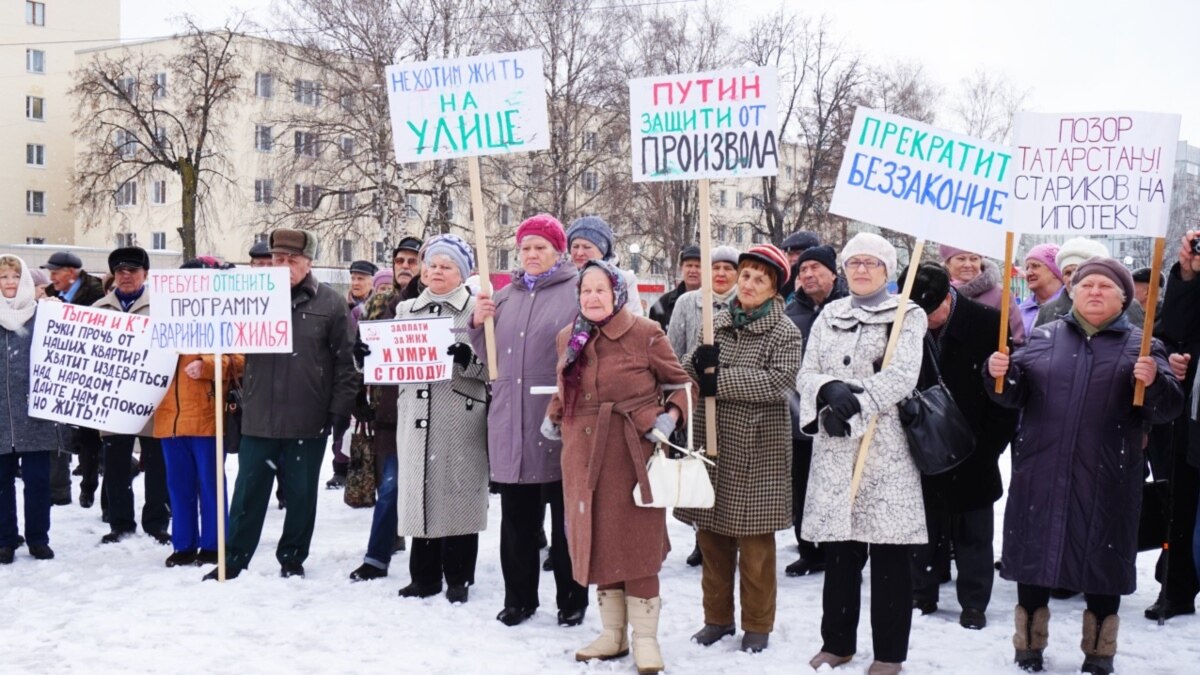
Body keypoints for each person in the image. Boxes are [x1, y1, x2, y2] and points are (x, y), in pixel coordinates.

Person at [986, 257, 1182, 674]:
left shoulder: (1143, 345)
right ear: (1072, 291)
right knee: (1037, 555)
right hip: (1042, 470)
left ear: (1124, 298)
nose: (1095, 291)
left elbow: (1166, 409)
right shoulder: (1042, 338)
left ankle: (1099, 652)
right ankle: (1029, 644)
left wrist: (1156, 382)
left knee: (1103, 561)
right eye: (1087, 284)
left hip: (1109, 474)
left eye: (1106, 287)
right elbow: (1010, 395)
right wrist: (996, 373)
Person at [543, 259, 694, 673]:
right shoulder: (567, 338)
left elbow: (681, 383)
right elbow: (565, 386)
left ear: (617, 294)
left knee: (637, 545)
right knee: (599, 540)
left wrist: (671, 416)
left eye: (600, 290)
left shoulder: (646, 333)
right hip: (582, 454)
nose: (591, 297)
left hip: (632, 455)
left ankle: (645, 638)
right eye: (585, 290)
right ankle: (612, 634)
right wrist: (554, 412)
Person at [798, 233, 927, 675]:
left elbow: (903, 375)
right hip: (835, 450)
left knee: (890, 556)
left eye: (871, 263)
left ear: (887, 271)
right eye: (854, 263)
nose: (861, 270)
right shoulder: (829, 313)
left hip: (885, 449)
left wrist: (855, 405)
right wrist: (826, 391)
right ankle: (837, 643)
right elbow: (807, 372)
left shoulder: (907, 313)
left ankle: (889, 652)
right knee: (841, 554)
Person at [206, 228, 357, 580]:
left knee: (302, 495)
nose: (283, 265)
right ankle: (235, 557)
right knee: (247, 493)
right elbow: (221, 333)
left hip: (309, 416)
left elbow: (345, 362)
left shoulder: (330, 304)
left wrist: (338, 410)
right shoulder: (251, 298)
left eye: (292, 259)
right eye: (277, 258)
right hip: (259, 415)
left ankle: (292, 557)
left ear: (309, 263)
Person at [676, 243, 803, 654]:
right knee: (711, 540)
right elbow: (687, 369)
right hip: (713, 444)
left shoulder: (785, 331)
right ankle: (716, 619)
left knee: (755, 547)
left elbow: (778, 383)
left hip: (757, 449)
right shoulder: (715, 322)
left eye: (758, 279)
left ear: (774, 288)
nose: (747, 284)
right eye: (745, 276)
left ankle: (757, 624)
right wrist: (697, 365)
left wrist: (721, 380)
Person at [356, 235, 490, 603]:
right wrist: (365, 354)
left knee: (457, 493)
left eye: (446, 267)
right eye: (431, 265)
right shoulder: (406, 310)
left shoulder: (475, 311)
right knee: (419, 494)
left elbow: (493, 369)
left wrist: (468, 358)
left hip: (459, 415)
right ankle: (424, 576)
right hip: (414, 414)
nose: (437, 272)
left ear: (462, 273)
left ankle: (459, 576)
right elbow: (387, 362)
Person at [469, 214, 588, 627]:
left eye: (541, 247)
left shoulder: (576, 292)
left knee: (566, 521)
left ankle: (572, 598)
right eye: (526, 248)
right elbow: (489, 360)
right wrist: (476, 324)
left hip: (557, 422)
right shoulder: (503, 297)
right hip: (511, 421)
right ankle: (519, 598)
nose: (532, 254)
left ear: (558, 250)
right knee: (517, 522)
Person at [903, 264, 1018, 630]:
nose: (927, 321)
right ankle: (922, 591)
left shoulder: (989, 324)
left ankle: (974, 601)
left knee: (974, 530)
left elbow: (1005, 395)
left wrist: (990, 447)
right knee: (924, 525)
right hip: (923, 440)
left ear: (948, 298)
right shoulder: (901, 325)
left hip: (975, 441)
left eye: (933, 312)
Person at [152, 258, 243, 568]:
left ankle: (214, 544)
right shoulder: (160, 319)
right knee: (178, 487)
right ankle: (184, 544)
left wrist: (208, 366)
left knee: (211, 486)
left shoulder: (222, 318)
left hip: (206, 417)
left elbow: (242, 359)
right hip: (169, 418)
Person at [93, 246, 171, 545]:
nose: (126, 276)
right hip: (113, 402)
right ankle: (120, 522)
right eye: (121, 271)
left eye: (133, 271)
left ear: (145, 274)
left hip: (154, 399)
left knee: (156, 466)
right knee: (115, 466)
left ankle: (156, 522)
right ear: (114, 275)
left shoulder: (163, 307)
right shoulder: (100, 309)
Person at [783, 244, 848, 577]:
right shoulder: (791, 314)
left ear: (833, 273)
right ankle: (809, 549)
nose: (807, 274)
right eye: (802, 270)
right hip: (800, 418)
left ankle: (840, 551)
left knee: (838, 488)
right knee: (803, 487)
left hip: (841, 417)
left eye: (815, 268)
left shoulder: (850, 309)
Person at [1145, 231, 1200, 622]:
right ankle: (1177, 588)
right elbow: (1173, 331)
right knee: (1183, 502)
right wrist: (1187, 275)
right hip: (1194, 412)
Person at [0, 255, 62, 564]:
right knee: (1, 483)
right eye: (3, 277)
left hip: (35, 414)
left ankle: (38, 538)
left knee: (38, 481)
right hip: (0, 416)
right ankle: (5, 539)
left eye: (14, 276)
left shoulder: (44, 316)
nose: (9, 282)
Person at [40, 251, 106, 510]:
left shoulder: (97, 294)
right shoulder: (49, 295)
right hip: (63, 376)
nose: (51, 277)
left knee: (91, 438)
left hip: (93, 376)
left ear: (71, 272)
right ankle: (64, 487)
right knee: (65, 434)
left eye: (55, 272)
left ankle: (89, 488)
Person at [938, 244, 1025, 345]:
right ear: (948, 262)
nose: (968, 264)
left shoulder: (1001, 295)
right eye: (961, 259)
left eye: (974, 259)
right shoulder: (936, 291)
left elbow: (1016, 340)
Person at [666, 245, 740, 359]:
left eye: (728, 268)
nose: (721, 273)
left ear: (738, 274)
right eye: (715, 268)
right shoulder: (685, 302)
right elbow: (672, 353)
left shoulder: (746, 304)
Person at [565, 215, 644, 316]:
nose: (579, 252)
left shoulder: (625, 280)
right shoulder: (564, 279)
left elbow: (634, 321)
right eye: (575, 246)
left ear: (603, 250)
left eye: (587, 247)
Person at [1033, 237, 1110, 329]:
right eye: (1067, 273)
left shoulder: (1123, 308)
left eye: (1078, 271)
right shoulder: (1047, 311)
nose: (1071, 279)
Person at [649, 246, 701, 331]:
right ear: (681, 268)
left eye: (698, 266)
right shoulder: (663, 304)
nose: (693, 270)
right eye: (689, 265)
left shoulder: (713, 302)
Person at [1017, 243, 1063, 336]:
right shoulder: (1021, 310)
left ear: (1055, 271)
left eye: (1035, 266)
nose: (1029, 273)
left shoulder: (1072, 306)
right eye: (1027, 268)